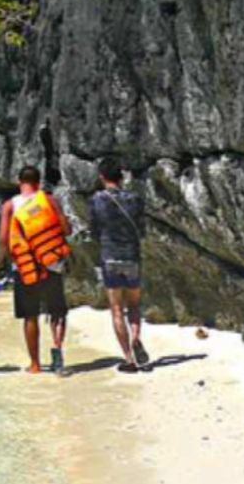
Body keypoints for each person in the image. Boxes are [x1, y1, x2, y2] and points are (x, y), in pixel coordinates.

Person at [0, 164, 72, 376]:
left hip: (25, 267)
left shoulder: (10, 206)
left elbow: (4, 239)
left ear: (19, 182)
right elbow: (66, 229)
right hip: (52, 263)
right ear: (38, 183)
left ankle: (35, 364)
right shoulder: (49, 201)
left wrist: (2, 264)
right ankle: (57, 348)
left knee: (31, 316)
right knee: (57, 312)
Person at [89, 159, 149, 374]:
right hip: (132, 256)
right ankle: (136, 338)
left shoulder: (96, 200)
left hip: (110, 257)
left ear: (102, 177)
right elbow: (142, 230)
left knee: (116, 309)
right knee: (133, 305)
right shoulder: (135, 200)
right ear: (121, 177)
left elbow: (94, 231)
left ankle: (129, 359)